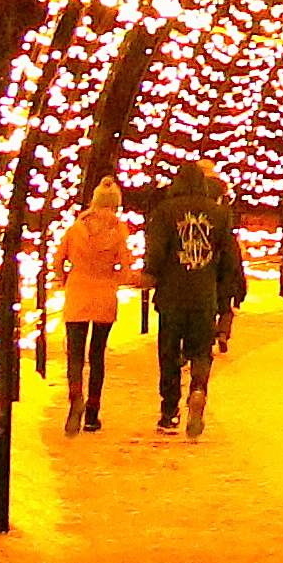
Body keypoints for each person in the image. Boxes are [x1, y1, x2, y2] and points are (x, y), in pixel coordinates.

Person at [145, 159, 245, 437]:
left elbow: (155, 253)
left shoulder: (164, 212)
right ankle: (198, 388)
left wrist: (150, 275)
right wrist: (227, 290)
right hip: (204, 295)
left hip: (171, 296)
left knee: (169, 352)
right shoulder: (219, 214)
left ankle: (169, 411)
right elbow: (228, 258)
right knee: (201, 350)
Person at [54, 176, 130, 433]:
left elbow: (58, 260)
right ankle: (92, 413)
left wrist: (65, 278)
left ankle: (75, 398)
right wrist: (114, 279)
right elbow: (125, 267)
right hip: (104, 295)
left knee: (75, 354)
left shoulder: (75, 229)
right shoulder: (118, 231)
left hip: (77, 292)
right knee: (97, 355)